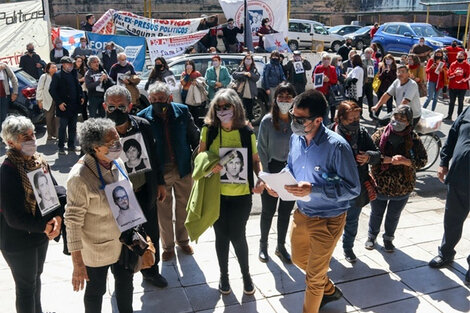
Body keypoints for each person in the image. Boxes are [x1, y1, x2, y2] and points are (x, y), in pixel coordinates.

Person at [278, 89, 360, 312]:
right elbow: (291, 167)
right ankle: (329, 289)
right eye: (293, 116)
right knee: (297, 259)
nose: (294, 122)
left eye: (300, 119)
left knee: (313, 279)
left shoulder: (337, 146)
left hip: (329, 219)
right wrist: (279, 182)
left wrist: (314, 189)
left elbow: (353, 188)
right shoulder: (296, 138)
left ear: (318, 120)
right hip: (302, 213)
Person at [65, 118, 134, 313]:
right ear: (95, 148)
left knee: (126, 285)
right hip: (97, 248)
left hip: (124, 241)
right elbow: (72, 222)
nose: (118, 145)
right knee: (96, 290)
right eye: (112, 143)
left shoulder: (117, 161)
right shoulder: (79, 177)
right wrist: (77, 262)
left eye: (118, 138)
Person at [198, 88, 261, 296]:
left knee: (238, 235)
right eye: (219, 107)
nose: (223, 110)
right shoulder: (209, 130)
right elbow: (200, 157)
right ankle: (224, 276)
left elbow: (254, 160)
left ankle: (246, 275)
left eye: (227, 106)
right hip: (216, 194)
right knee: (221, 236)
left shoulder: (246, 132)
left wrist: (261, 177)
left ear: (236, 108)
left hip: (241, 195)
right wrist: (209, 165)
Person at [104, 85, 168, 287]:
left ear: (130, 106)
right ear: (105, 106)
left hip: (144, 191)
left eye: (121, 107)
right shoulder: (99, 132)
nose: (116, 111)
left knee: (151, 233)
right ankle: (123, 275)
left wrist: (160, 182)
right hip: (117, 198)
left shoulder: (144, 126)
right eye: (112, 107)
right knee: (123, 237)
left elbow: (155, 157)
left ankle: (151, 271)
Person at [0, 115, 64, 313]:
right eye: (24, 137)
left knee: (35, 279)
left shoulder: (38, 161)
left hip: (39, 234)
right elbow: (13, 217)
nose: (32, 140)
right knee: (26, 288)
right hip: (17, 240)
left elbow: (55, 191)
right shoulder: (7, 171)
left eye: (32, 134)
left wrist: (57, 217)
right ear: (11, 142)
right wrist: (43, 226)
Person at [137, 82, 200, 262]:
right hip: (160, 172)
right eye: (154, 99)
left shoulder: (182, 111)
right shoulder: (143, 118)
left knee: (185, 206)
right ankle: (168, 246)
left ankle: (183, 240)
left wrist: (201, 158)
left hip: (183, 167)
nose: (158, 102)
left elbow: (194, 136)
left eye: (162, 99)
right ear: (149, 99)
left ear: (169, 98)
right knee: (163, 210)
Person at [365, 106, 427, 252]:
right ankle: (371, 237)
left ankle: (388, 239)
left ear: (409, 122)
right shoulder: (380, 134)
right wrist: (384, 159)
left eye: (402, 119)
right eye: (395, 117)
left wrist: (406, 161)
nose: (397, 121)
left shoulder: (413, 138)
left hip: (403, 186)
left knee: (393, 216)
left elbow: (423, 160)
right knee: (376, 213)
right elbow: (368, 156)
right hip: (380, 184)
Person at [328, 101, 381, 263]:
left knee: (352, 221)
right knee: (329, 223)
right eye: (351, 119)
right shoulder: (329, 133)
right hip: (333, 187)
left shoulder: (362, 133)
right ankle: (326, 251)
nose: (355, 122)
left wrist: (368, 157)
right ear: (340, 119)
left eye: (357, 118)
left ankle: (348, 248)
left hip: (355, 187)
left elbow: (377, 154)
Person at [428, 106, 470, 283]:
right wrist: (443, 162)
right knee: (452, 218)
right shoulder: (468, 110)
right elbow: (452, 135)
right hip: (459, 176)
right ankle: (446, 253)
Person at [256, 83, 296, 264]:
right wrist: (265, 179)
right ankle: (263, 246)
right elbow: (261, 150)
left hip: (291, 171)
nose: (285, 100)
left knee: (285, 212)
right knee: (268, 211)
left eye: (288, 97)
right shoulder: (267, 121)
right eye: (281, 96)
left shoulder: (297, 121)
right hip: (272, 169)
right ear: (275, 98)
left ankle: (281, 246)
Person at [49, 56, 84, 155]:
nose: (71, 66)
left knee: (73, 127)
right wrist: (59, 102)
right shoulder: (57, 75)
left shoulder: (73, 74)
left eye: (71, 64)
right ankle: (61, 147)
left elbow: (78, 87)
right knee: (63, 127)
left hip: (74, 105)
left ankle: (71, 145)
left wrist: (81, 96)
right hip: (64, 105)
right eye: (69, 64)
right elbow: (52, 90)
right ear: (63, 64)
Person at [232, 53, 261, 122]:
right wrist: (243, 73)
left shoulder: (254, 69)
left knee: (250, 107)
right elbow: (234, 75)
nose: (248, 60)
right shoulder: (240, 68)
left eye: (249, 59)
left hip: (251, 91)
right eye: (246, 59)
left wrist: (250, 75)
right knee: (242, 106)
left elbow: (257, 77)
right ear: (244, 60)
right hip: (241, 90)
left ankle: (250, 121)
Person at [445, 51, 470, 121]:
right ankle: (449, 116)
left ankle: (459, 117)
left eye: (461, 56)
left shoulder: (467, 65)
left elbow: (468, 76)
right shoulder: (453, 64)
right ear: (456, 57)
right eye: (458, 56)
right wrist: (455, 73)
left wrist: (462, 80)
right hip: (452, 86)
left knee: (460, 102)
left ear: (464, 57)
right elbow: (448, 75)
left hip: (462, 87)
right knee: (451, 102)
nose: (460, 58)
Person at [37, 62, 58, 141]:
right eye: (52, 67)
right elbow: (39, 89)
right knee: (49, 118)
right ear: (48, 69)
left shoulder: (58, 76)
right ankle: (50, 134)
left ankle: (57, 134)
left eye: (55, 67)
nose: (54, 69)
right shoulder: (44, 77)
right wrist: (39, 101)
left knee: (57, 118)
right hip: (47, 100)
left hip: (57, 100)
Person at [314, 54, 338, 121]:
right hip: (320, 92)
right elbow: (314, 79)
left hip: (329, 91)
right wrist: (321, 79)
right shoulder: (318, 68)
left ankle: (332, 119)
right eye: (324, 59)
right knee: (320, 107)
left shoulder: (332, 68)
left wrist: (329, 80)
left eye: (328, 59)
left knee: (332, 106)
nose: (326, 60)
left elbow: (335, 80)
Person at [0, 63, 18, 133]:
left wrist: (15, 92)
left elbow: (13, 78)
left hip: (4, 96)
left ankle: (3, 136)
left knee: (3, 117)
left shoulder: (4, 66)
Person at [362, 47, 376, 118]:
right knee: (361, 98)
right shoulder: (362, 61)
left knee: (370, 99)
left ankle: (371, 114)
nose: (369, 55)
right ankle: (360, 113)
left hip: (370, 82)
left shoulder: (373, 61)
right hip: (363, 82)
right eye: (367, 53)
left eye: (370, 53)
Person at [74, 56, 89, 121]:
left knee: (84, 106)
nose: (79, 63)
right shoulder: (72, 70)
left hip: (83, 89)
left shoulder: (85, 69)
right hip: (75, 89)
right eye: (78, 61)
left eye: (80, 61)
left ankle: (85, 121)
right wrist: (80, 80)